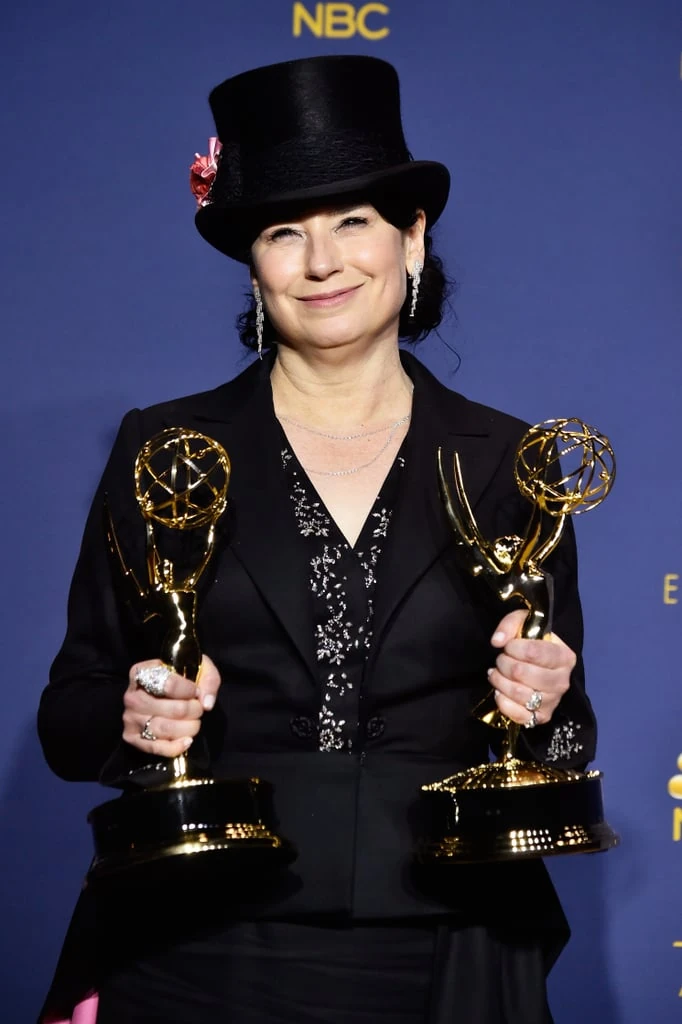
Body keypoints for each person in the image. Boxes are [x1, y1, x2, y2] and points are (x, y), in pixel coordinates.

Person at [38, 55, 595, 1024]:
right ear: (253, 265)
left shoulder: (512, 459)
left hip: (447, 937)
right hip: (199, 939)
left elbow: (568, 730)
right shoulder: (167, 449)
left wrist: (543, 700)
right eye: (284, 232)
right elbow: (68, 714)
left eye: (353, 222)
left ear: (411, 237)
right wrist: (135, 717)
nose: (322, 261)